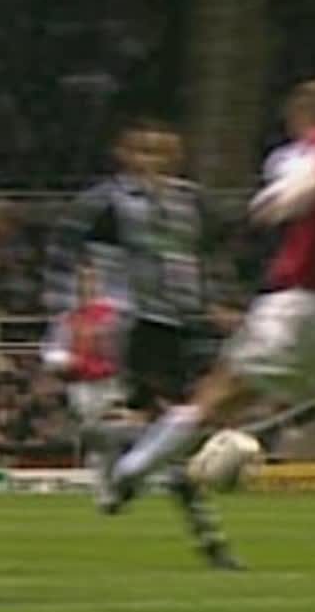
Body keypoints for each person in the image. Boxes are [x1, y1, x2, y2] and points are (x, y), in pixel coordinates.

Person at [110, 79, 315, 595]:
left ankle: (131, 469)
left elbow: (282, 199)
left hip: (298, 302)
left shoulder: (307, 154)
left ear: (303, 118)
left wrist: (274, 206)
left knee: (217, 398)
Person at [44, 116, 243, 570]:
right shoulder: (105, 203)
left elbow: (213, 257)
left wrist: (221, 303)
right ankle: (210, 540)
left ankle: (115, 456)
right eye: (142, 150)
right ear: (123, 154)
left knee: (183, 431)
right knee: (178, 426)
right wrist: (68, 318)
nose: (152, 161)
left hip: (190, 327)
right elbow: (61, 257)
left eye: (162, 152)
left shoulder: (192, 202)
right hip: (137, 326)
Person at [41, 265, 132, 507]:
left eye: (93, 280)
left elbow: (127, 346)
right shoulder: (68, 319)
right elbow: (51, 351)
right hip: (82, 384)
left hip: (110, 381)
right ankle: (105, 485)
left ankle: (109, 487)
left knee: (111, 432)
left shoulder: (113, 316)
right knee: (97, 433)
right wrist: (66, 360)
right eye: (84, 281)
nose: (88, 286)